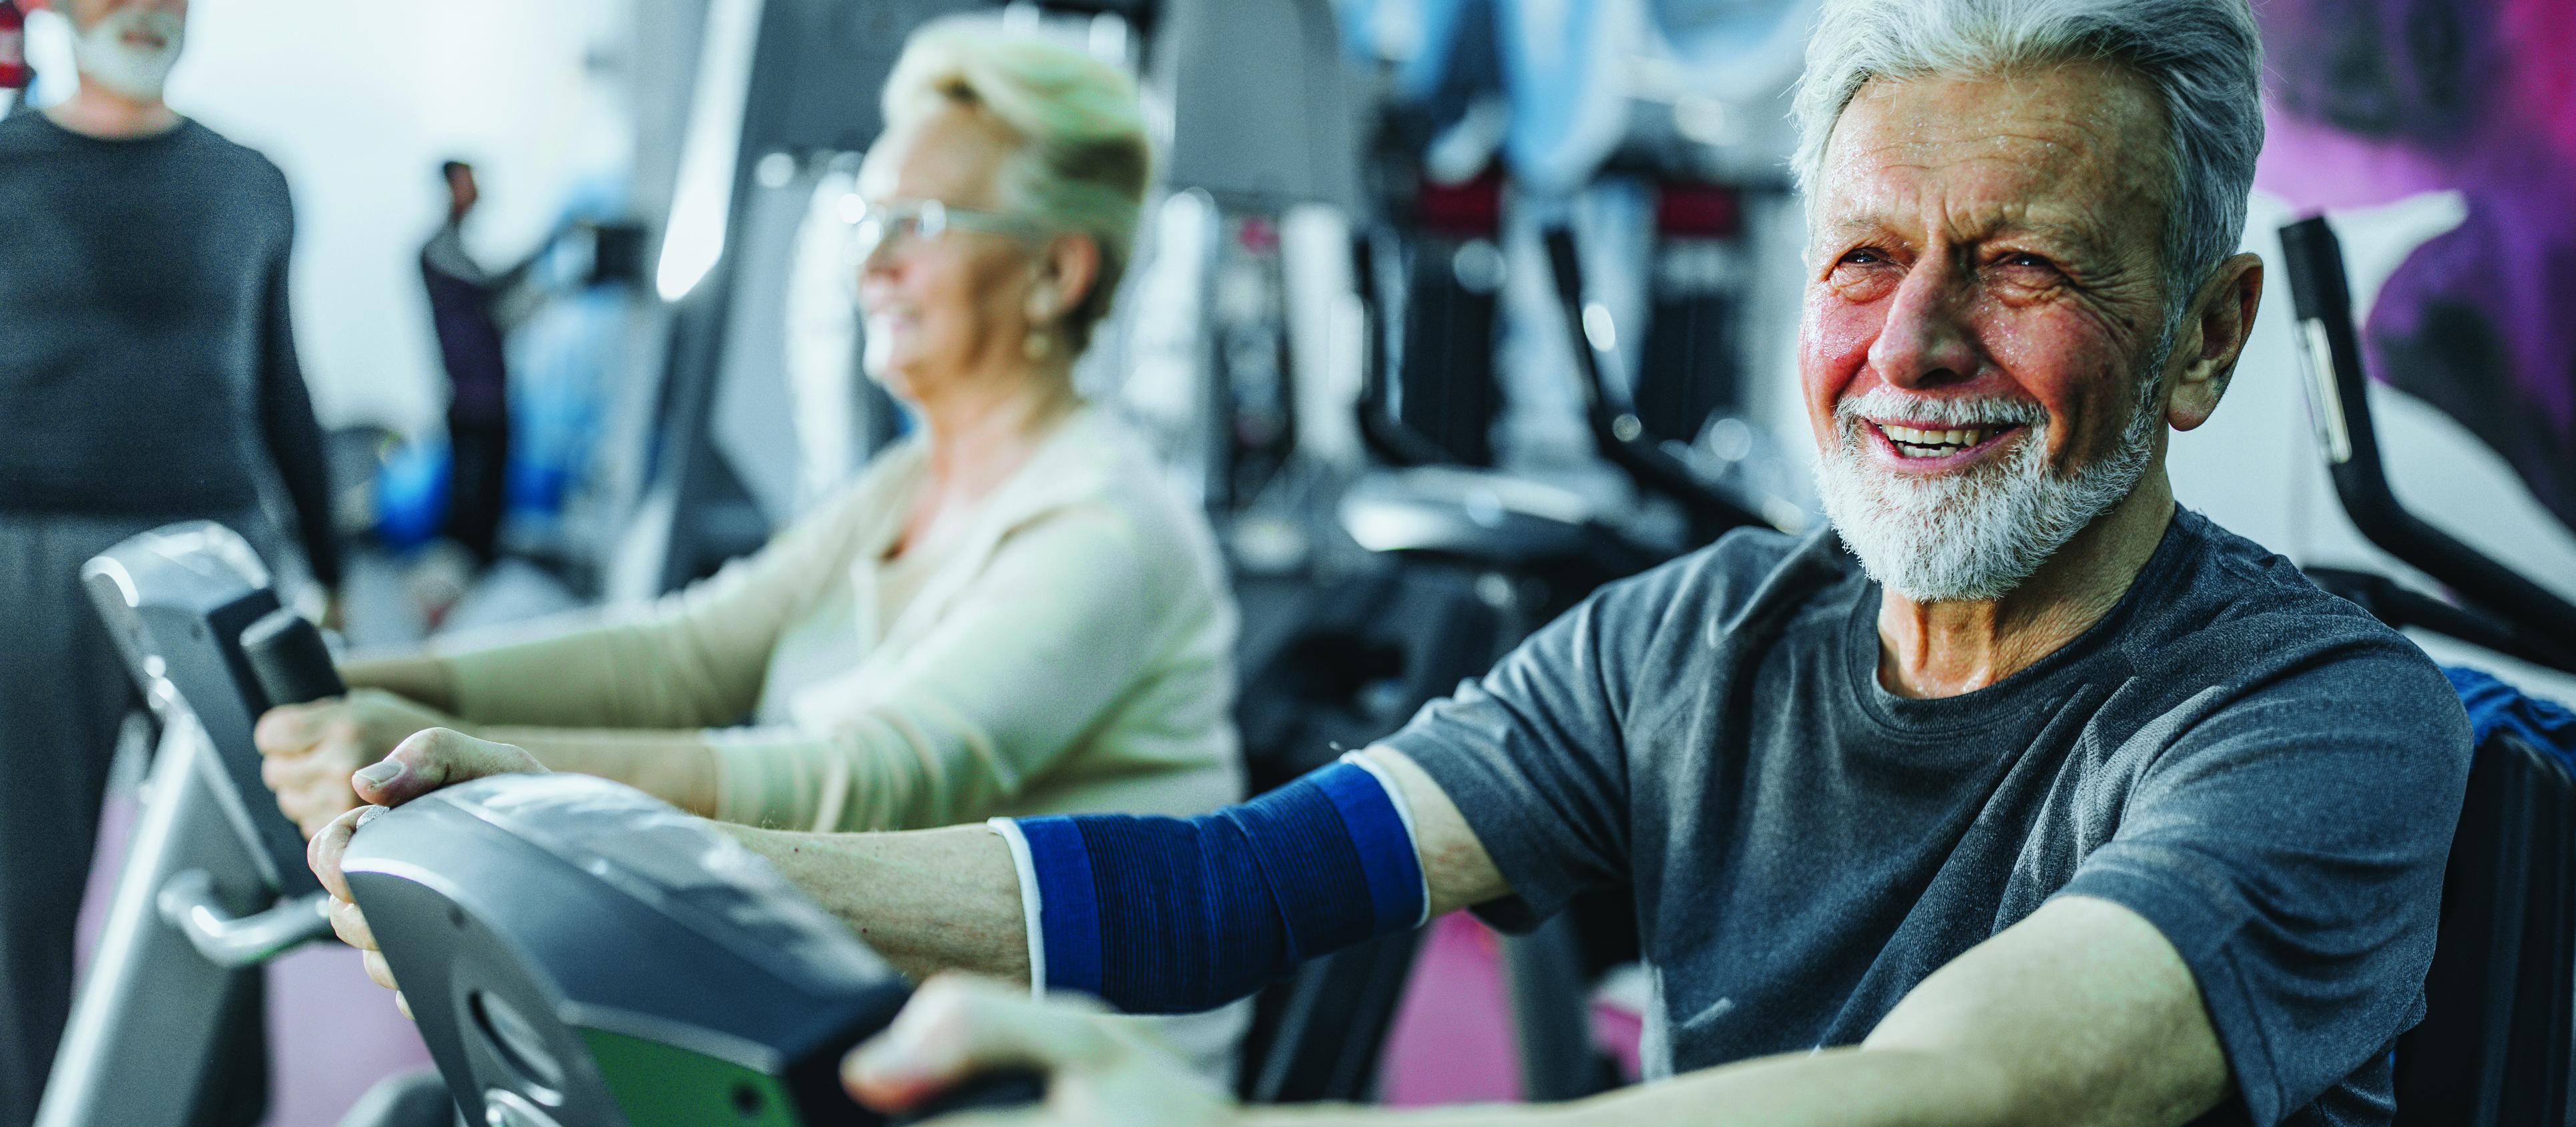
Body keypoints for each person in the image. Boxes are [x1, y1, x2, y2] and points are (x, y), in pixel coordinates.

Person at [311, 0, 2475, 1123]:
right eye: (1859, 261)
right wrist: (600, 833)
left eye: (2011, 269)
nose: (1905, 344)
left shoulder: (2310, 719)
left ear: (2197, 336)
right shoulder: (1685, 636)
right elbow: (1228, 883)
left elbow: (1961, 1088)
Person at [262, 23, 1249, 1077]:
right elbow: (678, 654)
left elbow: (857, 782)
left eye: (917, 223)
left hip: (1047, 1082)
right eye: (867, 219)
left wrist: (471, 766)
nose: (872, 259)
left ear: (1056, 271)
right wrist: (363, 679)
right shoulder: (907, 482)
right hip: (868, 1025)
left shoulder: (1105, 531)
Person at [0, 1, 341, 1122]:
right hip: (27, 557)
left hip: (214, 556)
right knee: (22, 886)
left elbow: (280, 380)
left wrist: (325, 563)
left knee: (234, 867)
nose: (140, 9)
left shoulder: (252, 177)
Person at [419, 158, 541, 564]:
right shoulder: (437, 253)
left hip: (491, 397)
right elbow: (491, 289)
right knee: (469, 512)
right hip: (471, 399)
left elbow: (495, 311)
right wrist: (553, 241)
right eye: (469, 182)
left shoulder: (460, 256)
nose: (477, 191)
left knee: (488, 508)